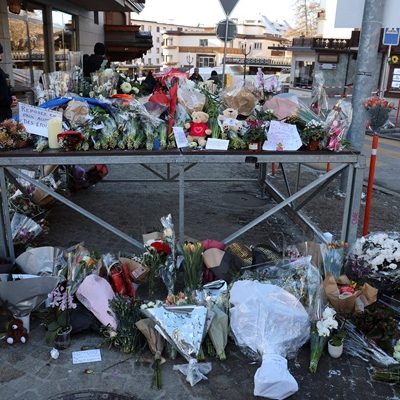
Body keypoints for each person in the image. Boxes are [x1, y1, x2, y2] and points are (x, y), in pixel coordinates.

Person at [0, 43, 17, 122]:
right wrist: (9, 101)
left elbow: (5, 87)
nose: (2, 55)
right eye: (1, 53)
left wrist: (11, 96)